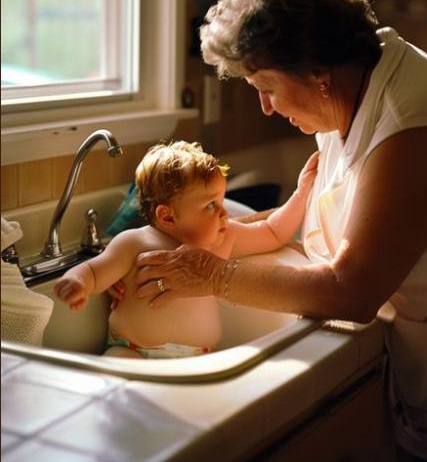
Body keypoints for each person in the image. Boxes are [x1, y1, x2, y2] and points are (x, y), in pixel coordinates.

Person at [133, 0, 427, 461]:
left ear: (315, 72)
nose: (266, 106)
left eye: (266, 87)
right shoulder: (350, 91)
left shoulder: (415, 126)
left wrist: (214, 275)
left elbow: (352, 290)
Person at [54, 140, 318, 359]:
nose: (224, 212)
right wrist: (77, 283)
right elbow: (93, 270)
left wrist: (302, 193)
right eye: (210, 205)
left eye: (221, 200)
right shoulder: (134, 243)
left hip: (198, 357)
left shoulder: (223, 239)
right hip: (134, 353)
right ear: (167, 217)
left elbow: (273, 231)